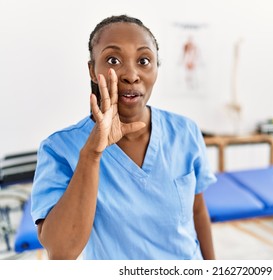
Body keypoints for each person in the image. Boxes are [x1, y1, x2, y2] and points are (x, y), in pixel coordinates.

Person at [30, 15, 217, 260]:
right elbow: (61, 252)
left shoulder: (185, 131)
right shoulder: (60, 148)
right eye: (113, 60)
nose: (131, 74)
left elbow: (197, 210)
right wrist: (92, 154)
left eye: (144, 60)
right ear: (91, 69)